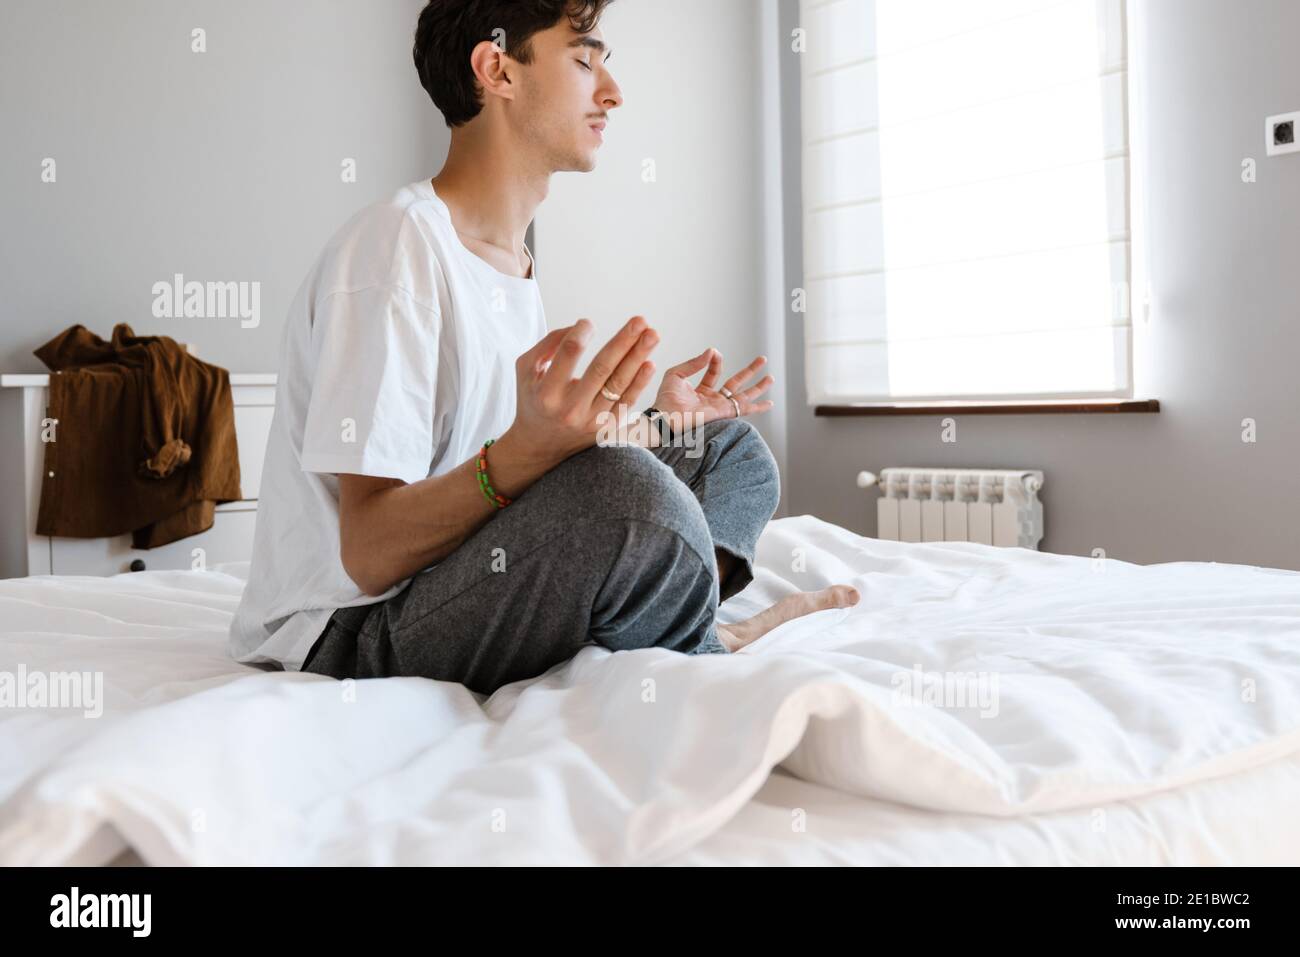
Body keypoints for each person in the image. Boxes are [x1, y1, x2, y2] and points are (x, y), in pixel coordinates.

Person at [229, 0, 858, 696]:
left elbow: (518, 459)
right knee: (633, 498)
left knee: (728, 451)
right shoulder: (396, 248)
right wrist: (526, 458)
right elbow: (370, 553)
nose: (612, 92)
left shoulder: (512, 261)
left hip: (466, 564)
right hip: (352, 629)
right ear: (496, 68)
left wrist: (649, 424)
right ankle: (701, 638)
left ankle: (682, 617)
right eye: (584, 59)